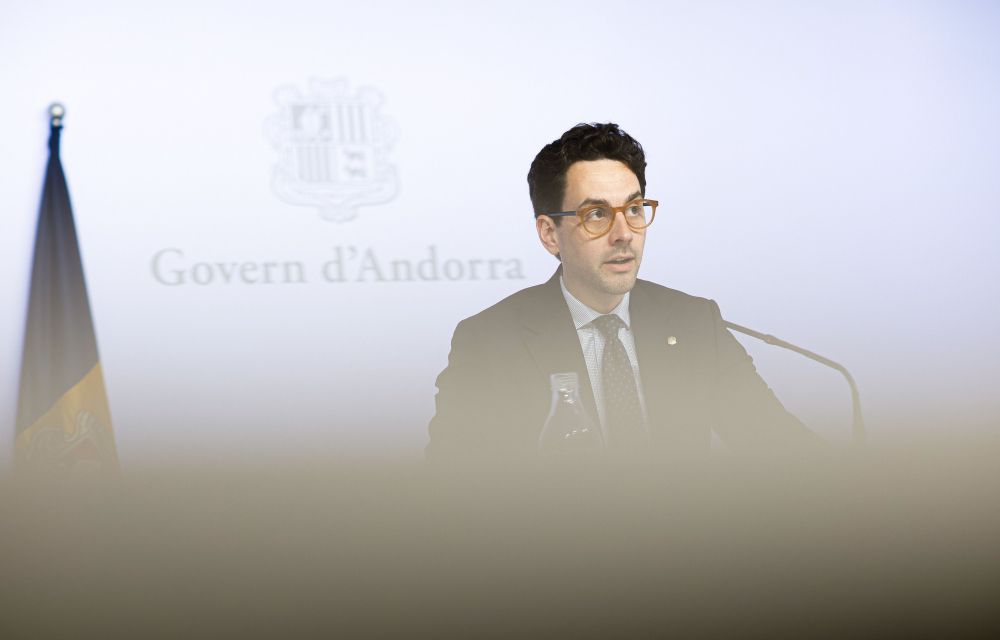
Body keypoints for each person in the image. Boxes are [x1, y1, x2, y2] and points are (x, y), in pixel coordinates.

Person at [427, 123, 819, 461]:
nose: (624, 234)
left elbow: (785, 453)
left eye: (633, 209)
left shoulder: (695, 324)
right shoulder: (490, 343)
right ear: (549, 234)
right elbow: (453, 488)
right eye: (596, 215)